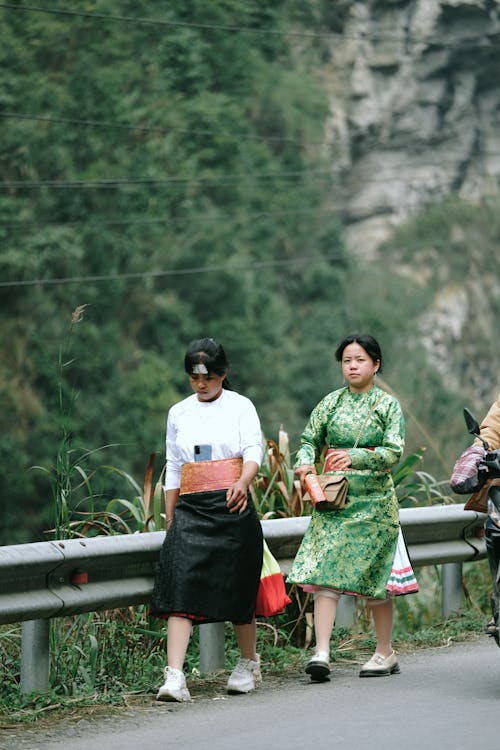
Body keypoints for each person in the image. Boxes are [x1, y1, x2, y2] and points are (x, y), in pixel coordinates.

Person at [287, 333, 418, 682]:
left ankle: (385, 652)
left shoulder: (388, 405)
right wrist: (304, 465)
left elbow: (393, 451)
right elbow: (307, 441)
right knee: (325, 574)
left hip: (375, 504)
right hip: (334, 501)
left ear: (376, 365)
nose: (353, 366)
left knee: (376, 580)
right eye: (347, 360)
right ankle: (322, 653)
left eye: (360, 360)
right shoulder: (329, 403)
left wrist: (356, 455)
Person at [150, 337, 264, 702]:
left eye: (209, 378)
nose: (201, 384)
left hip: (232, 504)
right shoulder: (178, 412)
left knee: (238, 584)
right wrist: (170, 515)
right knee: (180, 583)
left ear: (223, 374)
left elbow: (253, 450)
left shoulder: (241, 407)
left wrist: (243, 482)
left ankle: (248, 663)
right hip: (191, 508)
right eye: (195, 378)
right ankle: (175, 676)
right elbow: (174, 468)